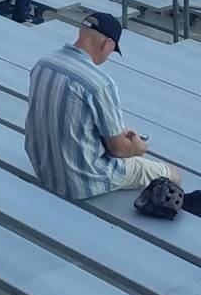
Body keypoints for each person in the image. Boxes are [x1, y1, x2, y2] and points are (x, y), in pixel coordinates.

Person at [25, 12, 181, 199]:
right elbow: (118, 150)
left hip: (43, 170)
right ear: (106, 43)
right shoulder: (100, 84)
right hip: (82, 182)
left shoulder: (43, 64)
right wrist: (137, 148)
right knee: (173, 175)